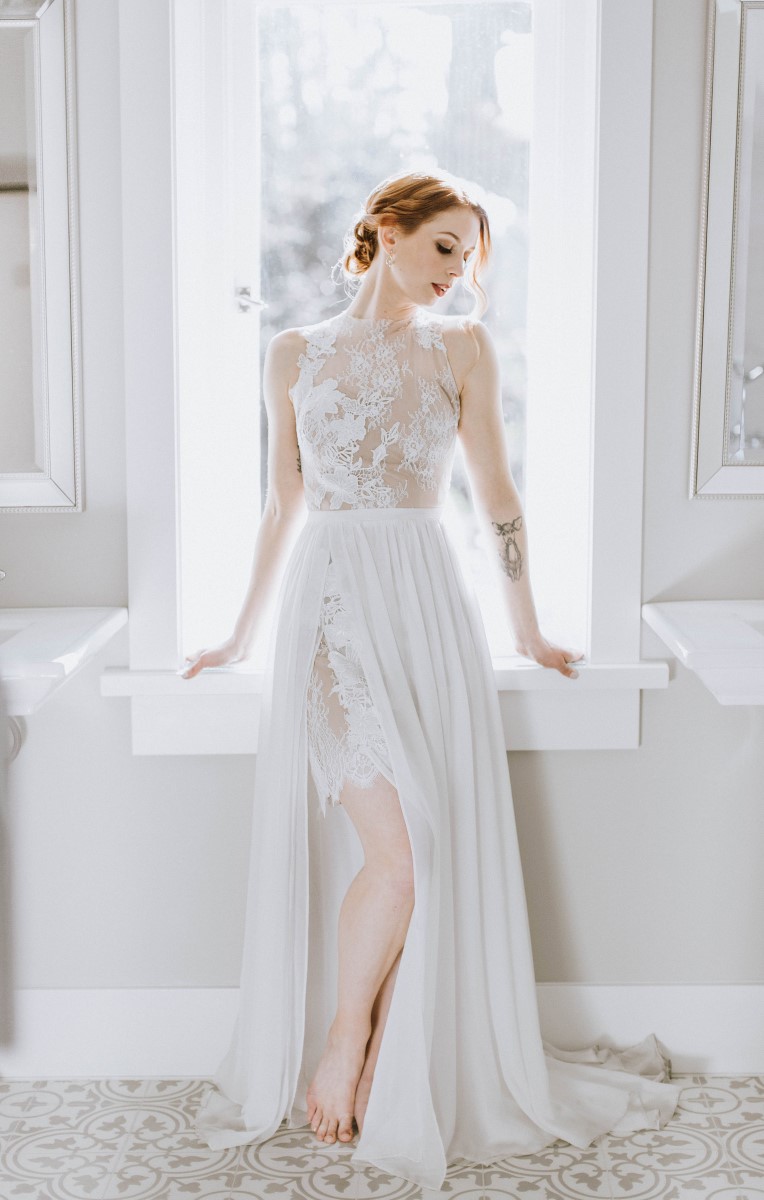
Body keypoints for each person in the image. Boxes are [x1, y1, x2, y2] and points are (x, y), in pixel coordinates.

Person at [184, 171, 680, 1191]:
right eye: (446, 247)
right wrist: (237, 638)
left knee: (429, 848)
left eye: (472, 257)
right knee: (398, 853)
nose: (460, 274)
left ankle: (383, 1050)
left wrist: (529, 630)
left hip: (424, 603)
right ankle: (346, 1039)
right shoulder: (293, 352)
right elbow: (281, 506)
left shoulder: (459, 350)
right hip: (327, 606)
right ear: (385, 231)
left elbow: (497, 497)